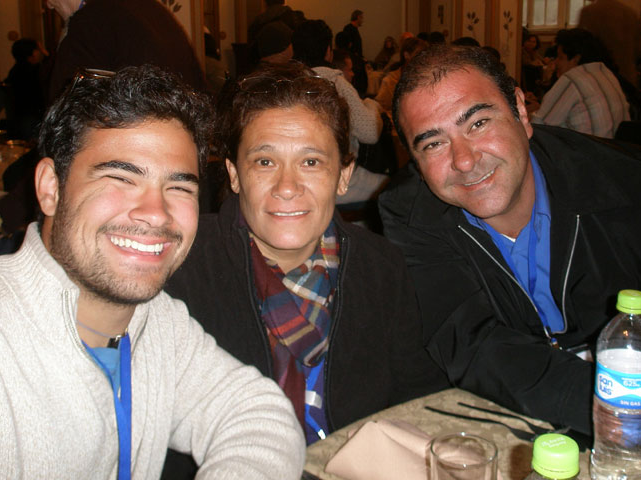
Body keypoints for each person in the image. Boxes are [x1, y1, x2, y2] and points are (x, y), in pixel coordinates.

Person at [0, 65, 304, 479]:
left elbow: (258, 416)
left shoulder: (158, 324)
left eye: (179, 187)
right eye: (119, 177)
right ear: (50, 189)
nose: (156, 212)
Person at [379, 44, 641, 480]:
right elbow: (475, 346)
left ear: (520, 109)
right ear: (413, 158)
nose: (463, 160)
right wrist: (629, 411)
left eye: (478, 122)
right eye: (433, 143)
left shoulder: (630, 181)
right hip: (508, 429)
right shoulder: (408, 216)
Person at [162, 61, 446, 477]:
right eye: (264, 162)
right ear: (234, 175)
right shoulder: (180, 268)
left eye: (311, 162)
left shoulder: (381, 267)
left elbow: (418, 398)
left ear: (343, 175)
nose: (288, 186)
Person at [0, 0, 209, 267]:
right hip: (183, 196)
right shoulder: (152, 12)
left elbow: (65, 147)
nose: (47, 6)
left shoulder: (91, 23)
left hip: (123, 205)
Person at [292, 19, 387, 204]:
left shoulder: (287, 81)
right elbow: (371, 132)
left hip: (296, 175)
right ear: (328, 51)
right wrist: (371, 105)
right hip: (335, 179)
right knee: (393, 189)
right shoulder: (335, 83)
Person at [46, 0, 206, 102]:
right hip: (182, 137)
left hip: (136, 143)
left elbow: (64, 106)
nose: (48, 5)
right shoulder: (155, 9)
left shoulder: (89, 20)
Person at [530, 29, 630, 139]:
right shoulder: (605, 72)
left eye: (560, 57)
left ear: (576, 59)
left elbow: (538, 127)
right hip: (617, 150)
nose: (556, 62)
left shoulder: (572, 79)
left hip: (588, 152)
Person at [578, 0, 641, 88]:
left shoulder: (589, 12)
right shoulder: (630, 13)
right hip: (627, 76)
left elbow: (581, 46)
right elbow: (638, 49)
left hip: (600, 78)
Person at [4, 38, 47, 140]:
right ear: (31, 53)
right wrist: (47, 54)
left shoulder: (15, 70)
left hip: (19, 114)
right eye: (38, 49)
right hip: (31, 115)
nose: (39, 52)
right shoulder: (33, 70)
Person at [374, 37, 427, 112]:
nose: (422, 58)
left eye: (424, 55)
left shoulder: (427, 76)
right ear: (406, 55)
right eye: (418, 54)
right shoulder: (391, 80)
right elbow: (380, 108)